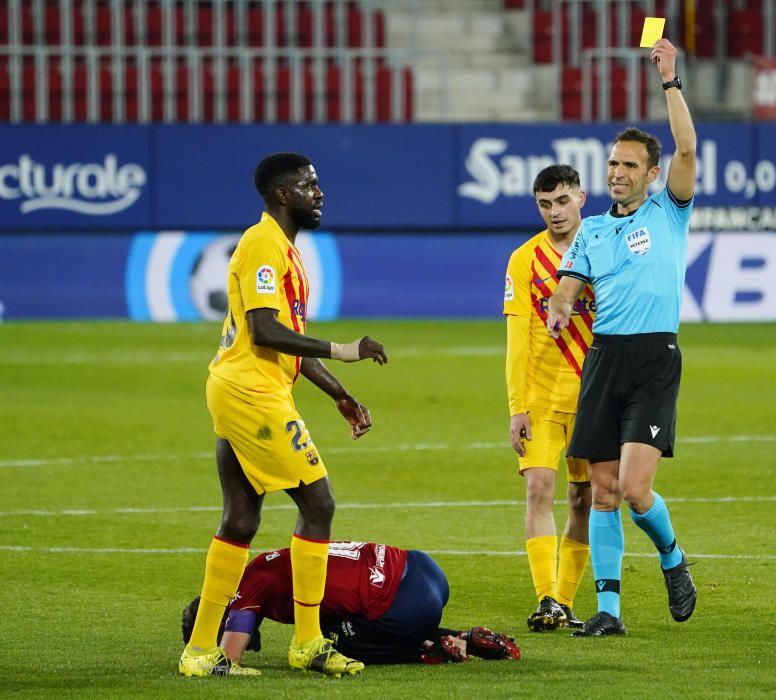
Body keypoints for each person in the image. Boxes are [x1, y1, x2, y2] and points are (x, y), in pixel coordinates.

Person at [179, 152, 389, 678]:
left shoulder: (284, 250)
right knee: (318, 502)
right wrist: (346, 349)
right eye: (309, 185)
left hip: (244, 388)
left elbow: (288, 345)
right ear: (282, 195)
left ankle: (200, 651)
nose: (319, 193)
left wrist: (339, 393)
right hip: (252, 395)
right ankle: (309, 642)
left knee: (241, 518)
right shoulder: (263, 246)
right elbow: (266, 332)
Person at [545, 39, 698, 637]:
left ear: (651, 175)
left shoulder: (669, 211)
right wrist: (560, 306)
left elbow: (686, 145)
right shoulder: (591, 233)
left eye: (629, 165)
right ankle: (608, 611)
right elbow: (568, 285)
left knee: (636, 490)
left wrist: (670, 80)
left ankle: (672, 557)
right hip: (604, 357)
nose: (617, 172)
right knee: (602, 491)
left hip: (653, 357)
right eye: (612, 163)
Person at [180, 541, 522, 666]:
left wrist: (209, 651)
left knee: (326, 645)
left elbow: (228, 658)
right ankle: (459, 637)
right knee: (331, 621)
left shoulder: (245, 588)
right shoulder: (268, 565)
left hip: (406, 605)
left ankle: (427, 648)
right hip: (422, 567)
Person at [503, 165, 595, 632]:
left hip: (593, 396)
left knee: (583, 498)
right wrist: (516, 406)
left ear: (581, 196)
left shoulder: (603, 247)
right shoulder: (524, 260)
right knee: (539, 488)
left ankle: (564, 599)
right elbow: (516, 338)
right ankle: (545, 599)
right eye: (545, 203)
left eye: (562, 200)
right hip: (540, 396)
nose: (554, 212)